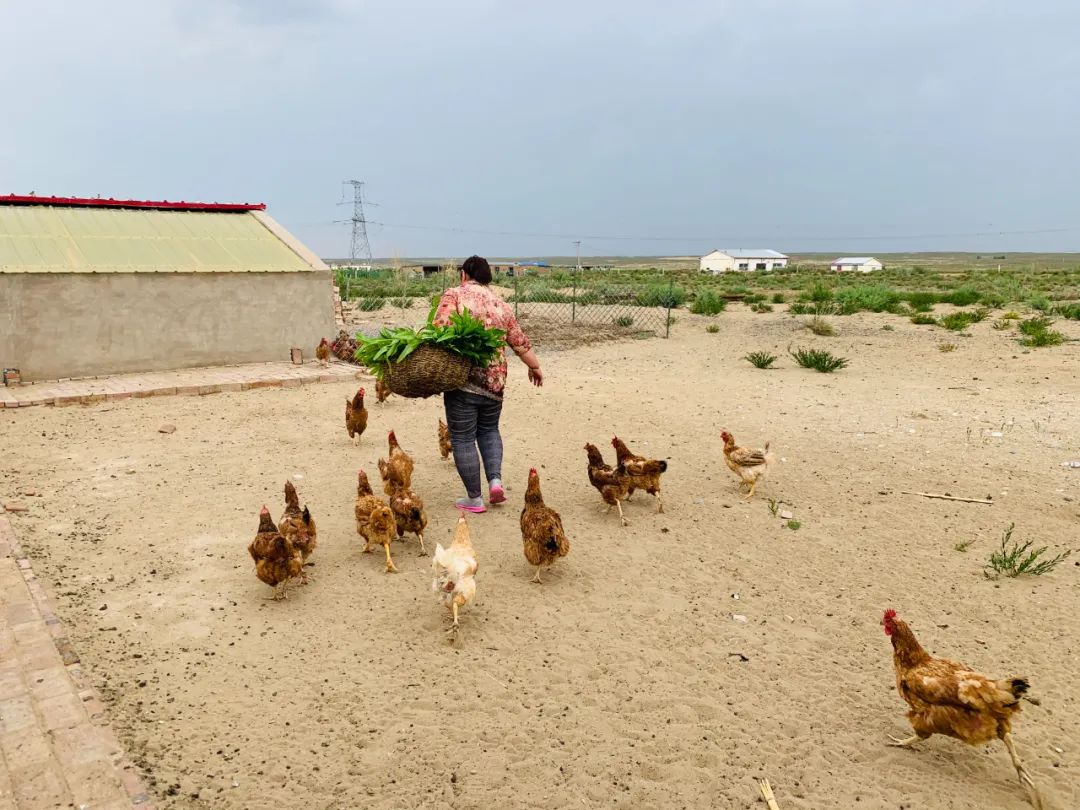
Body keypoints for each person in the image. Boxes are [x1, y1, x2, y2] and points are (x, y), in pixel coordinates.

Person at [433, 255, 543, 512]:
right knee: (489, 430)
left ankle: (474, 498)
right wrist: (535, 367)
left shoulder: (455, 296)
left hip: (464, 381)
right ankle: (495, 482)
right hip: (495, 383)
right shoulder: (500, 304)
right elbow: (519, 342)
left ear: (464, 274)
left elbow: (440, 329)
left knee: (461, 438)